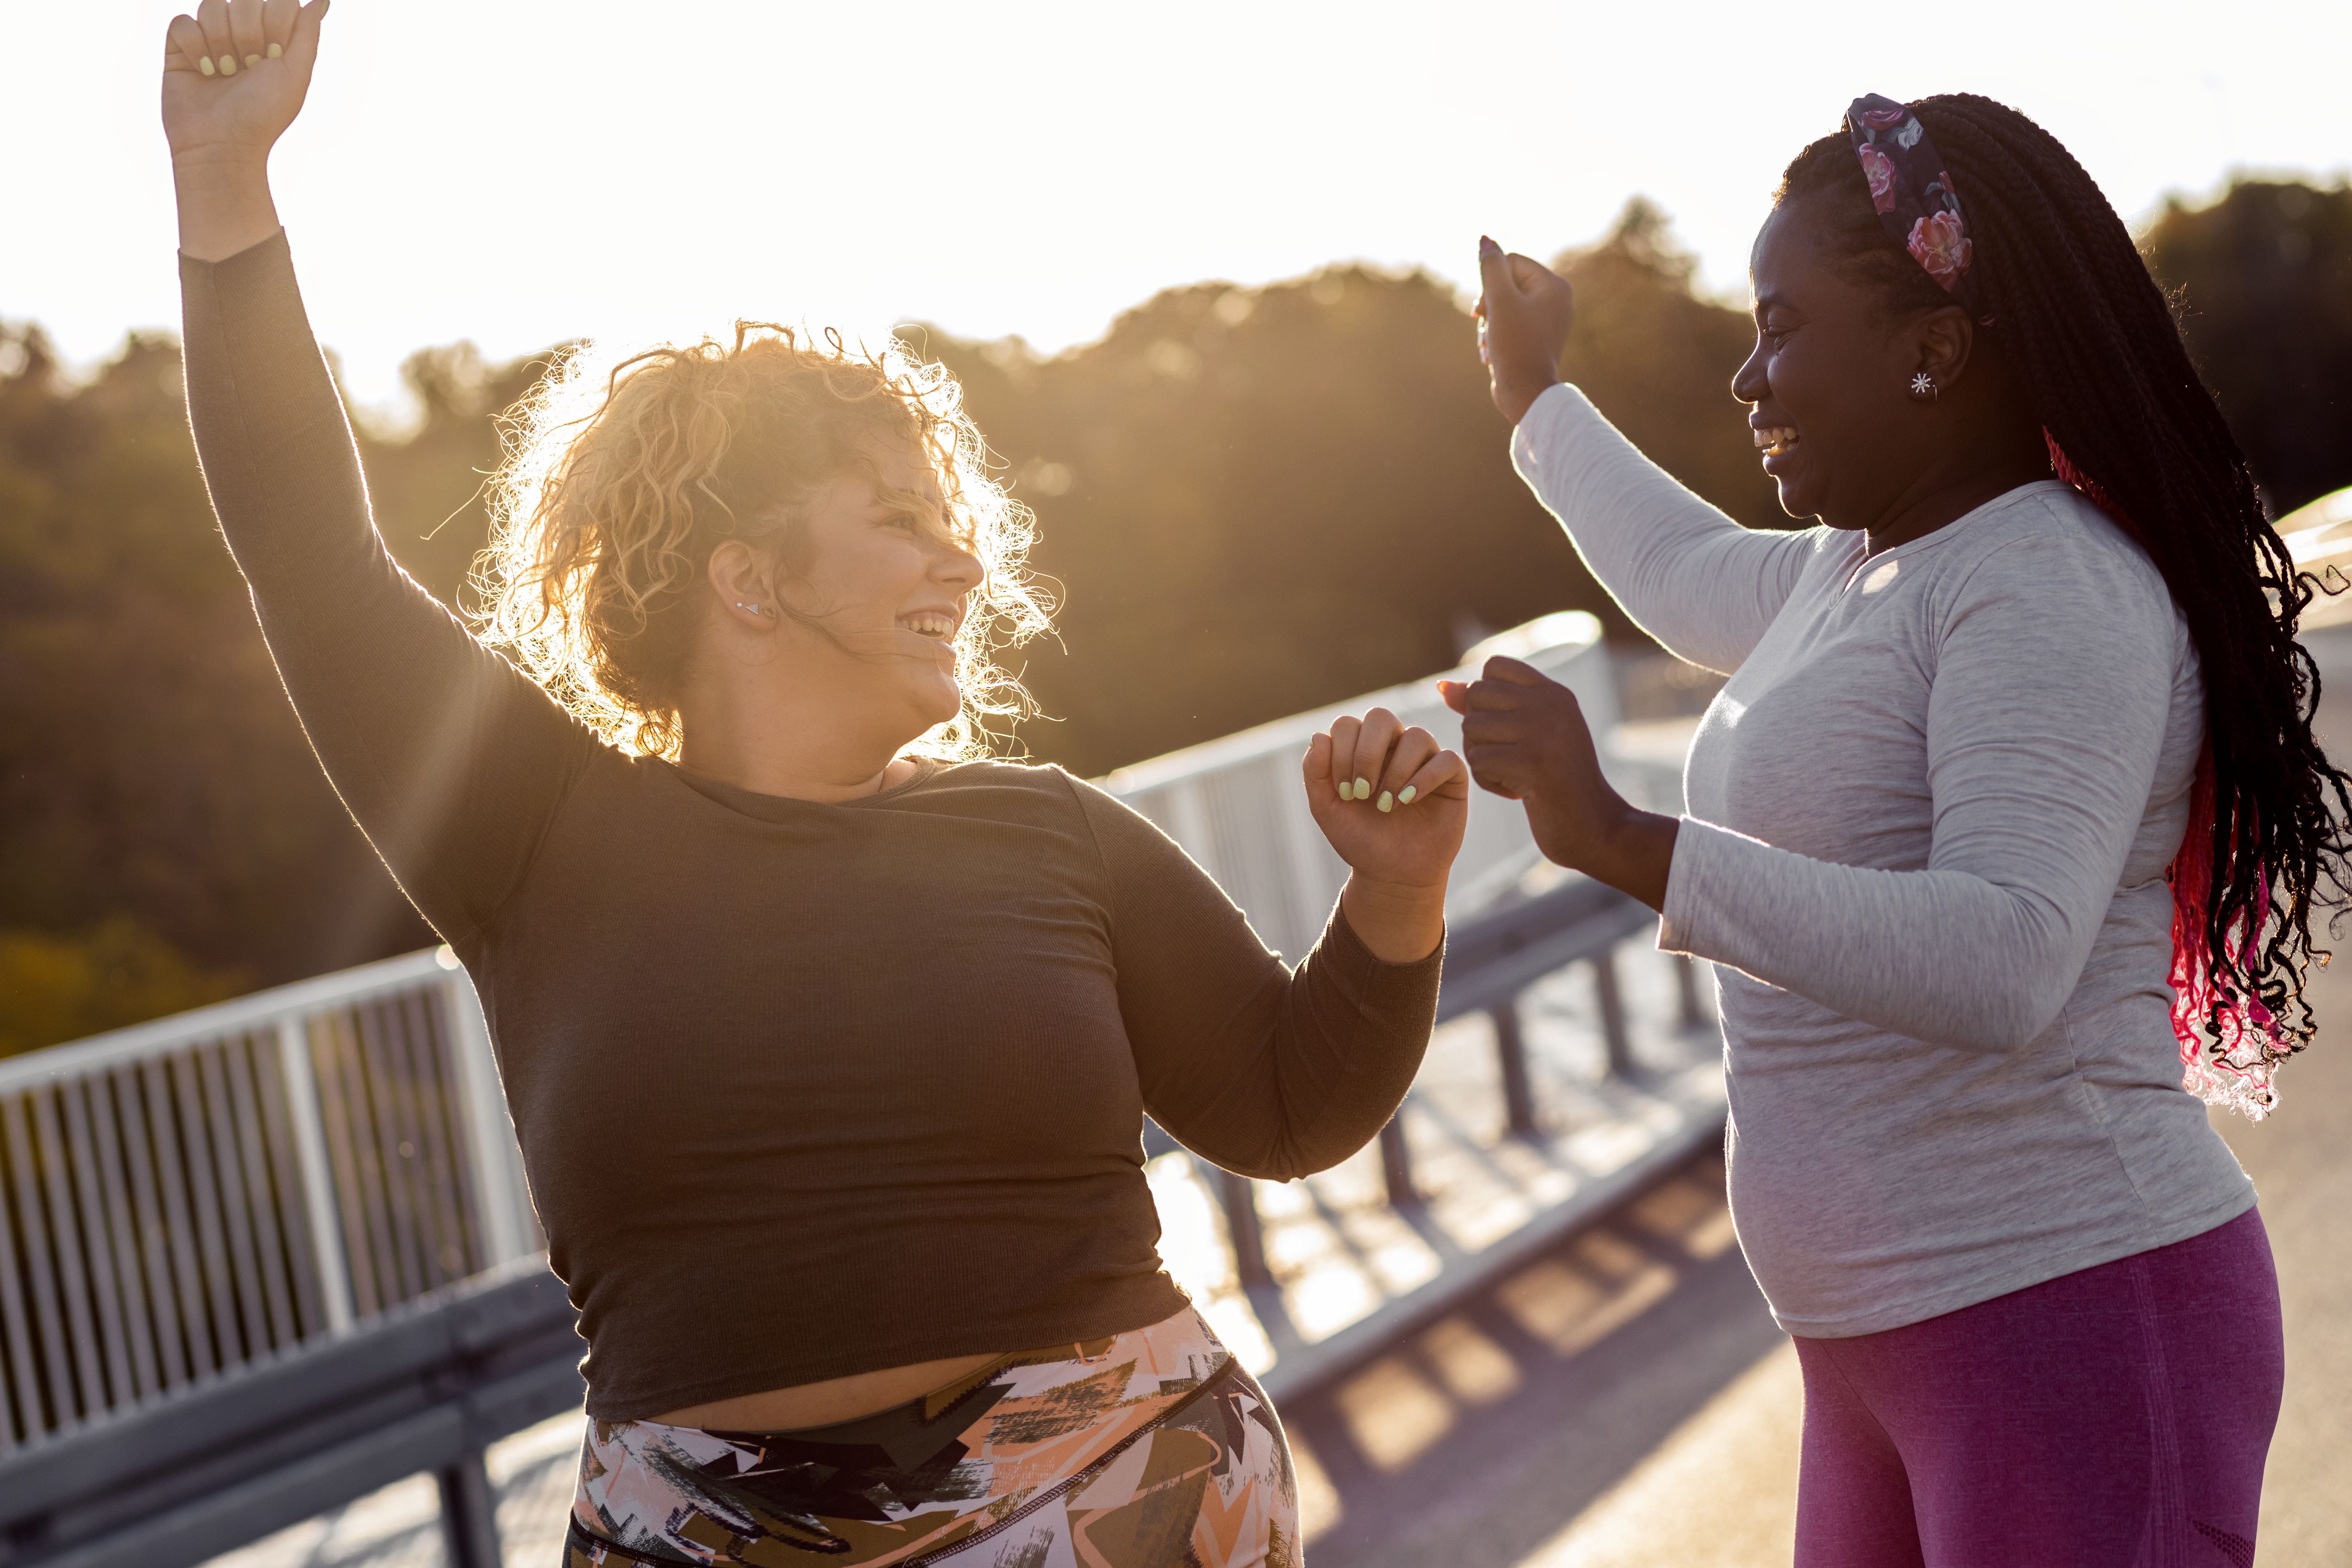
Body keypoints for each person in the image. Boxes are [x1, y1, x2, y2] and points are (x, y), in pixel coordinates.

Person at [161, 5, 1471, 1564]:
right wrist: (223, 184)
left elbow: (1283, 1107)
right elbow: (310, 554)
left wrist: (1392, 902)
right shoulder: (535, 837)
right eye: (900, 519)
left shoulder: (1053, 834)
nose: (963, 557)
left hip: (1121, 1495)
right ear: (749, 580)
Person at [1459, 92, 2346, 1565]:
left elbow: (2003, 957)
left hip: (2065, 1312)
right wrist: (1528, 394)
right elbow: (1676, 565)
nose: (1748, 377)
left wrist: (1624, 840)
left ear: (1934, 350)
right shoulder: (1850, 573)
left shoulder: (2043, 581)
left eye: (1780, 326)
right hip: (1870, 1344)